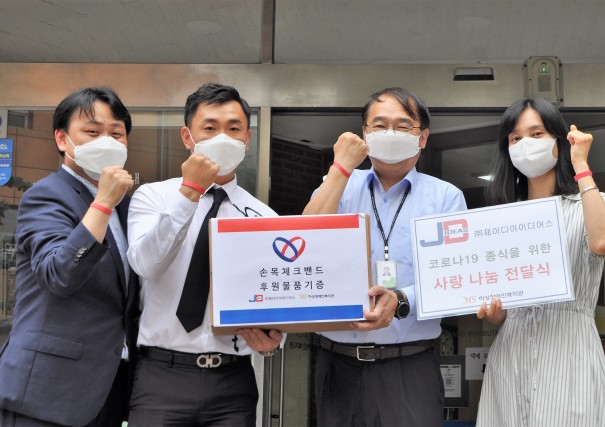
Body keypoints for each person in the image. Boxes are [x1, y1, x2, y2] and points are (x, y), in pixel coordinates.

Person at [304, 87, 467, 427]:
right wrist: (340, 167)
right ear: (364, 134)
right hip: (338, 366)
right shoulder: (341, 185)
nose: (390, 133)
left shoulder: (445, 198)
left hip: (410, 366)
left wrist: (401, 300)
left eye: (403, 126)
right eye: (379, 125)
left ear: (422, 138)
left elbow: (455, 280)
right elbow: (307, 238)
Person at [126, 83, 283, 426]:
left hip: (233, 379)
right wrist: (190, 194)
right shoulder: (153, 197)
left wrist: (271, 338)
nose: (223, 137)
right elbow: (145, 264)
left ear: (247, 139)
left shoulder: (263, 217)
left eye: (234, 128)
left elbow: (270, 297)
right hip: (162, 375)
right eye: (210, 128)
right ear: (188, 136)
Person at [475, 98, 605, 426]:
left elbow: (603, 243)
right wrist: (497, 314)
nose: (525, 144)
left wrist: (582, 167)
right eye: (515, 138)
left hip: (569, 351)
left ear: (559, 140)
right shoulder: (501, 220)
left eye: (537, 133)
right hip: (510, 357)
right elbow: (502, 307)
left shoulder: (591, 204)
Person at [0, 87, 140, 426]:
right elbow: (59, 274)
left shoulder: (126, 206)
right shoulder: (46, 195)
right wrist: (102, 203)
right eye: (92, 132)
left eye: (116, 133)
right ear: (63, 139)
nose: (106, 141)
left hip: (109, 390)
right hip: (46, 391)